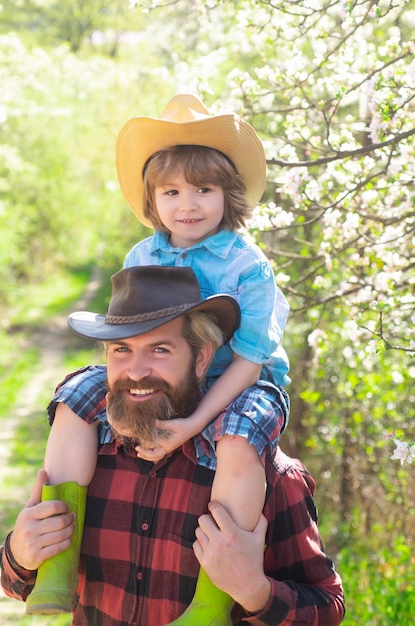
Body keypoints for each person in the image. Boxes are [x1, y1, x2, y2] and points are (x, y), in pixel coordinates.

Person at [27, 93, 291, 615]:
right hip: (167, 372)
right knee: (75, 395)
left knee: (239, 439)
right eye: (171, 191)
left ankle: (212, 603)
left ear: (227, 194)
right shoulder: (142, 255)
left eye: (203, 189)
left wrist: (193, 422)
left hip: (238, 380)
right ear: (153, 199)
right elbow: (127, 340)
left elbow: (249, 359)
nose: (187, 205)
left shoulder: (248, 267)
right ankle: (56, 563)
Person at [0, 265, 345, 625]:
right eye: (121, 349)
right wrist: (20, 555)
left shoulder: (265, 475)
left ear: (201, 359)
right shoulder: (85, 455)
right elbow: (19, 584)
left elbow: (328, 606)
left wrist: (254, 590)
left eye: (159, 350)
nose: (135, 371)